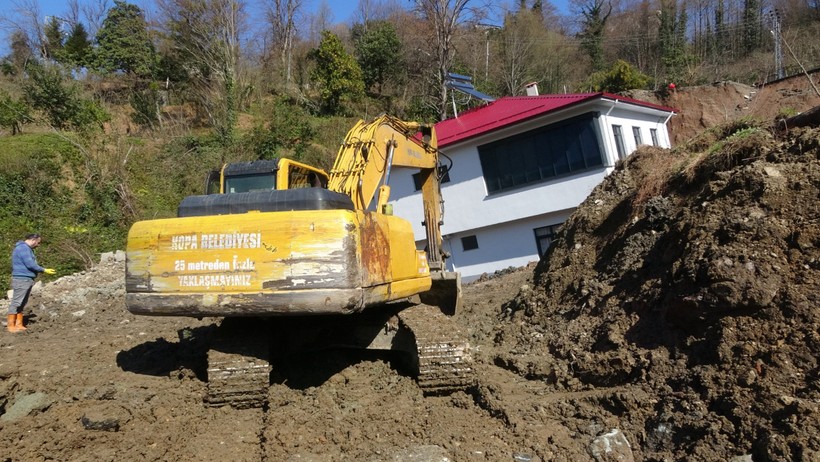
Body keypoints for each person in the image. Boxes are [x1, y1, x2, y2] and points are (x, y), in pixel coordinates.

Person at [7, 233, 55, 333]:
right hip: (22, 279)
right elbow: (30, 264)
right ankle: (11, 325)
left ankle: (18, 324)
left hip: (26, 278)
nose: (38, 245)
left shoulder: (26, 249)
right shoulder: (23, 249)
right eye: (38, 242)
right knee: (17, 302)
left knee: (22, 302)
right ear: (33, 240)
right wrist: (43, 270)